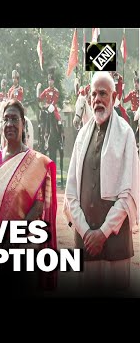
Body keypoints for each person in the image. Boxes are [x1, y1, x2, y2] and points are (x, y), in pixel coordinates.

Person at [64, 71, 139, 294]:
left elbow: (127, 195)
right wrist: (88, 234)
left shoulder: (125, 134)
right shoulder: (81, 137)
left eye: (103, 93)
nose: (97, 99)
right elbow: (70, 194)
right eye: (93, 94)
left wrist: (103, 233)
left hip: (115, 244)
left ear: (114, 97)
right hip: (85, 243)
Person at [0, 99, 57, 290]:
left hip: (23, 244)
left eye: (14, 119)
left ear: (23, 123)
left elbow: (38, 206)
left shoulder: (35, 162)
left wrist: (14, 239)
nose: (9, 124)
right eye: (5, 119)